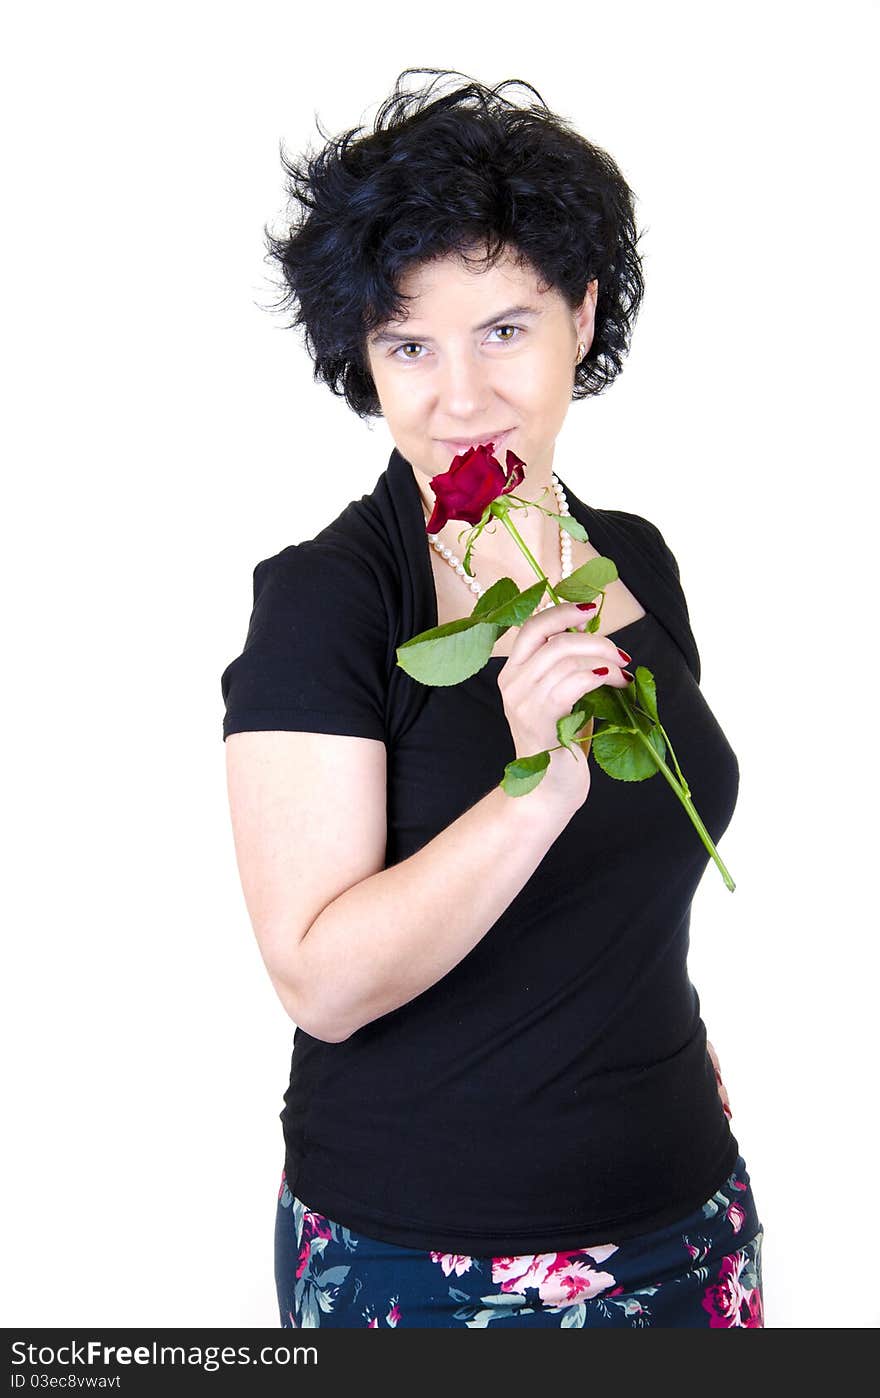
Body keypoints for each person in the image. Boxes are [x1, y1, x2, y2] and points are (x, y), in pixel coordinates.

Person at [220, 68, 764, 1329]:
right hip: (431, 1259)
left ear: (580, 314)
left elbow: (631, 891)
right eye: (408, 345)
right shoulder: (330, 601)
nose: (458, 396)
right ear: (363, 357)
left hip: (688, 1219)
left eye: (504, 329)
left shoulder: (631, 554)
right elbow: (321, 982)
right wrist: (536, 785)